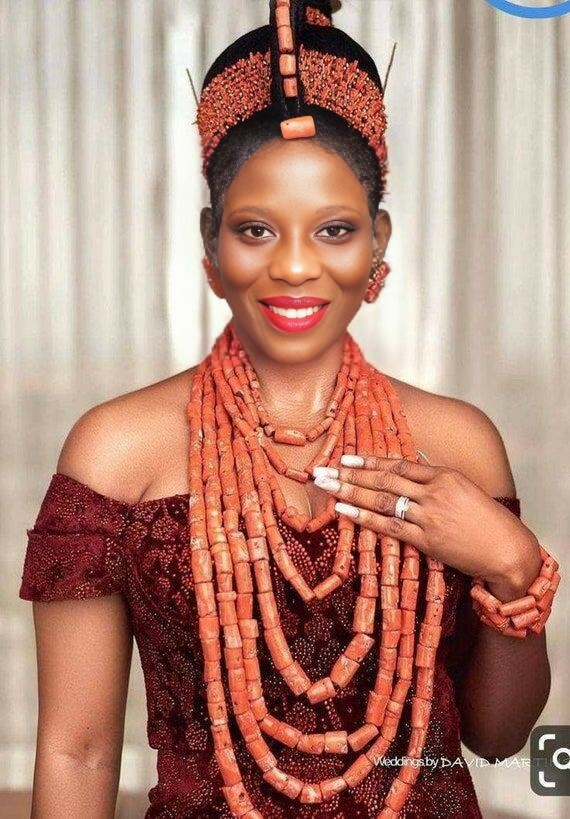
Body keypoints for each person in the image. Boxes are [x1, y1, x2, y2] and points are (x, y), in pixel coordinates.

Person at [19, 2, 558, 817]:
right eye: (257, 229)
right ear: (212, 246)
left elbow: (496, 735)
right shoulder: (116, 450)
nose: (297, 266)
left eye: (334, 229)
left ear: (378, 243)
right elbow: (77, 748)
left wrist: (515, 569)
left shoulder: (459, 441)